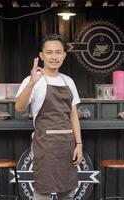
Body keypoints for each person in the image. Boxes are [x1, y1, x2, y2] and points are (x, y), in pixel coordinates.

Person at [15, 33, 83, 200]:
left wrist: (79, 144)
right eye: (49, 52)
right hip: (44, 144)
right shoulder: (32, 80)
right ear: (41, 55)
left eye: (58, 52)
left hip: (67, 144)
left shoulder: (69, 81)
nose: (54, 56)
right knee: (42, 192)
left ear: (64, 55)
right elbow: (19, 107)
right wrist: (31, 82)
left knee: (67, 192)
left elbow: (73, 115)